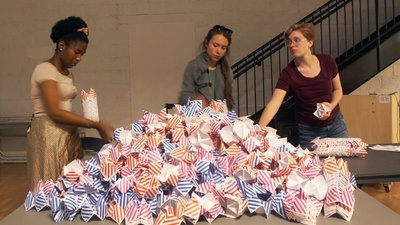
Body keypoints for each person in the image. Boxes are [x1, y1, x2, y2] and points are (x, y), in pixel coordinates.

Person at [27, 16, 113, 190]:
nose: (79, 58)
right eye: (77, 52)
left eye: (82, 54)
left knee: (70, 184)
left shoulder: (68, 74)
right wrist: (94, 124)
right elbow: (54, 111)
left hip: (66, 134)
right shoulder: (45, 70)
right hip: (48, 135)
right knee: (51, 186)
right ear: (61, 46)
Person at [258, 23, 348, 150]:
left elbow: (338, 90)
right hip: (309, 131)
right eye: (289, 42)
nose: (292, 45)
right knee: (312, 167)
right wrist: (259, 129)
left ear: (310, 42)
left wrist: (331, 106)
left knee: (344, 164)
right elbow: (275, 102)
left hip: (336, 125)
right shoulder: (289, 73)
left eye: (296, 40)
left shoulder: (327, 61)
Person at [178, 25, 235, 110]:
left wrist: (231, 118)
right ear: (206, 43)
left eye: (223, 48)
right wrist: (198, 101)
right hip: (197, 119)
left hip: (220, 119)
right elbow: (184, 97)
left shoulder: (227, 71)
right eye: (215, 45)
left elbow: (230, 101)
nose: (219, 51)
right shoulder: (194, 66)